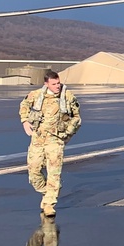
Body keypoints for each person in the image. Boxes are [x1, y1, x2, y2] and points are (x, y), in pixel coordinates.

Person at [19, 70, 82, 217]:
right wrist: (25, 121)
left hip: (55, 140)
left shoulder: (67, 97)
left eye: (58, 83)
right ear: (46, 84)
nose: (57, 86)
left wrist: (67, 133)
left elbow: (77, 118)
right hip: (38, 138)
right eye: (54, 84)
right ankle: (48, 191)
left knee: (54, 173)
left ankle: (49, 204)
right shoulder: (36, 95)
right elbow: (24, 105)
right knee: (33, 171)